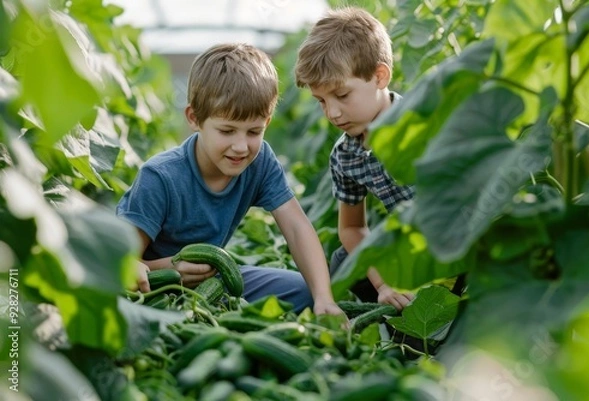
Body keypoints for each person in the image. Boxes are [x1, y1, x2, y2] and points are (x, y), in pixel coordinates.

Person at [117, 43, 345, 317]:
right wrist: (168, 269)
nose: (241, 146)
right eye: (227, 130)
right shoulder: (161, 177)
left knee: (308, 290)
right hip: (152, 291)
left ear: (267, 122)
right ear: (194, 118)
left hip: (216, 282)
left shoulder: (260, 161)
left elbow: (297, 227)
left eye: (253, 131)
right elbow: (121, 264)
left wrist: (324, 299)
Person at [294, 7, 416, 311]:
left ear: (379, 76)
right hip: (408, 246)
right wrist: (384, 283)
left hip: (458, 239)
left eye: (342, 96)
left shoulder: (422, 124)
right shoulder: (346, 155)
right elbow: (351, 229)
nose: (332, 113)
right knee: (342, 261)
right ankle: (395, 312)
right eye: (322, 101)